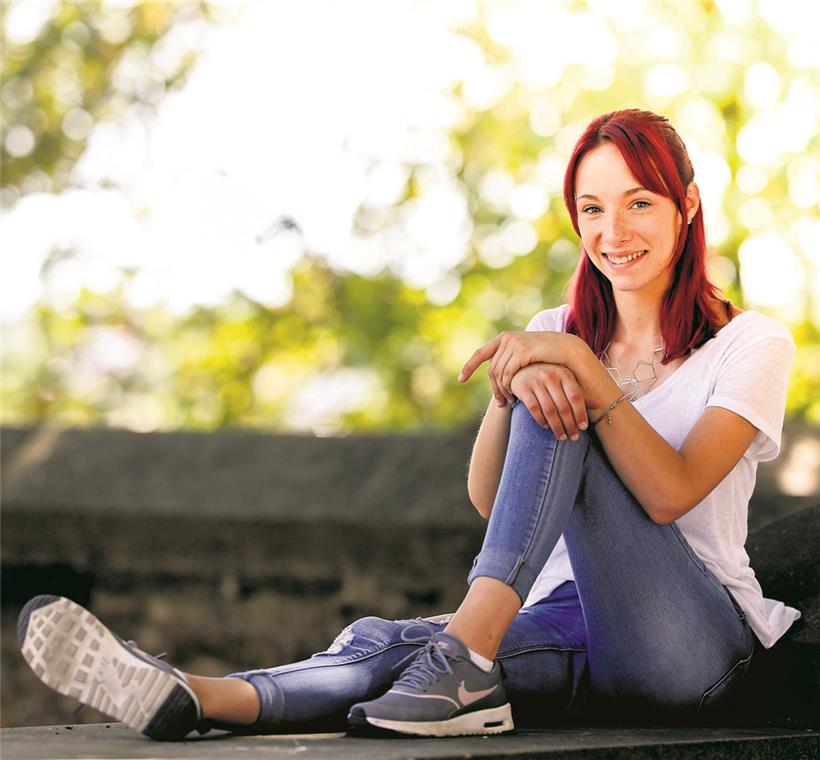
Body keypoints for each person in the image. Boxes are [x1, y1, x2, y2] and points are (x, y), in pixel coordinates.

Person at [18, 109, 799, 741]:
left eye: (640, 203)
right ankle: (195, 696)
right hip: (565, 625)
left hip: (692, 641)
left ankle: (465, 650)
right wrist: (509, 393)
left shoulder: (750, 342)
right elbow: (499, 507)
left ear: (686, 205)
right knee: (386, 649)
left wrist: (578, 372)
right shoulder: (558, 328)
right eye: (592, 209)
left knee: (559, 394)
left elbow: (672, 494)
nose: (614, 231)